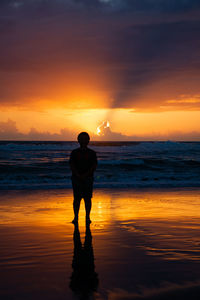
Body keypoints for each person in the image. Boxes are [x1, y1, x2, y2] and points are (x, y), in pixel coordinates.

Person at [69, 132, 97, 224]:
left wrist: (85, 175)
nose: (84, 141)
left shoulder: (92, 153)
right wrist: (77, 175)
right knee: (77, 199)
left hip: (88, 179)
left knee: (87, 199)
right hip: (76, 179)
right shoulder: (74, 152)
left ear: (88, 140)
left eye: (85, 139)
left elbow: (94, 166)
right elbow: (72, 165)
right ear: (78, 140)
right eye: (82, 139)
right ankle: (76, 217)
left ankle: (87, 218)